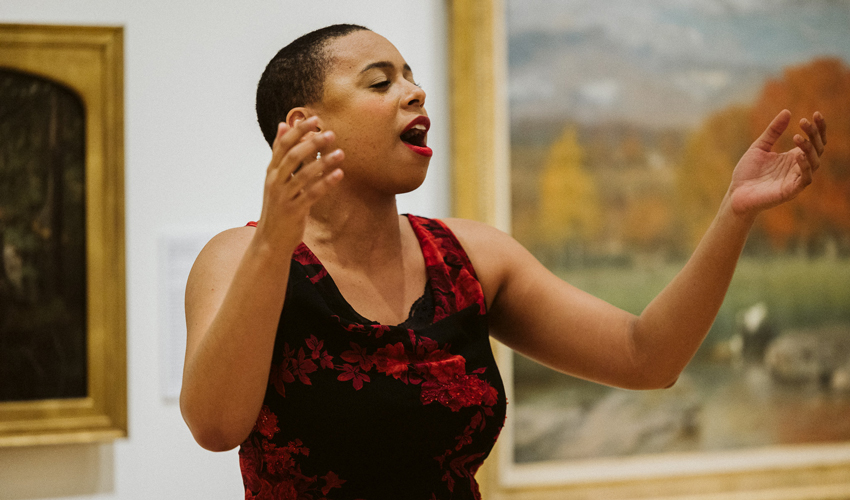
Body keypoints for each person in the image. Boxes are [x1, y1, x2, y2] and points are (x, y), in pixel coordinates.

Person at [179, 24, 827, 499]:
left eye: (412, 76)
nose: (415, 93)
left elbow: (646, 357)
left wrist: (733, 214)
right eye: (382, 81)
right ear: (304, 124)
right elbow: (214, 425)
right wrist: (274, 243)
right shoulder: (240, 257)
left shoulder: (471, 257)